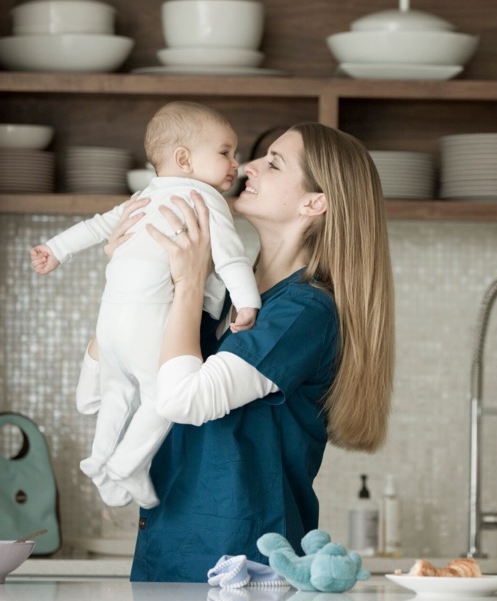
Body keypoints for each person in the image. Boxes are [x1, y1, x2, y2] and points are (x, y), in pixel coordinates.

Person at [97, 121, 395, 582]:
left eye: (273, 163)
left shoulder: (302, 312)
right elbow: (123, 378)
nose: (247, 167)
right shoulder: (222, 293)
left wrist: (189, 280)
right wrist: (123, 279)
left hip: (245, 572)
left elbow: (184, 399)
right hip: (169, 553)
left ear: (315, 203)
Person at [29, 101, 262, 509]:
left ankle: (98, 459)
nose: (235, 163)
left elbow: (98, 226)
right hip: (150, 317)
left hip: (112, 319)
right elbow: (230, 258)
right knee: (161, 397)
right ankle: (125, 465)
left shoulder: (143, 196)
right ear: (184, 159)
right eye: (225, 152)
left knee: (118, 390)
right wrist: (247, 302)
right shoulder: (205, 199)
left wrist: (55, 249)